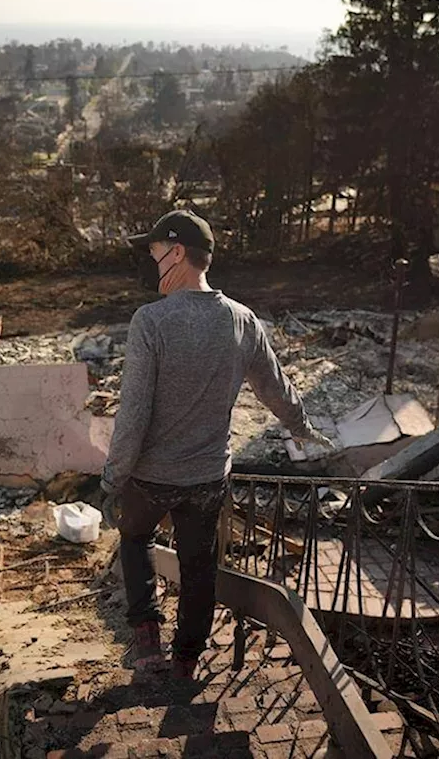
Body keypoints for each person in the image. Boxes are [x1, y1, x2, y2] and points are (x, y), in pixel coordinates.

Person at [100, 210, 332, 679]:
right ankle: (187, 659)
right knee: (199, 565)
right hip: (207, 477)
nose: (149, 260)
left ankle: (146, 639)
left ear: (178, 253)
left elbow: (134, 413)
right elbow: (275, 389)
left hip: (151, 477)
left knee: (135, 537)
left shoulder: (151, 322)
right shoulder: (243, 321)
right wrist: (302, 427)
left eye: (154, 251)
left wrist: (112, 477)